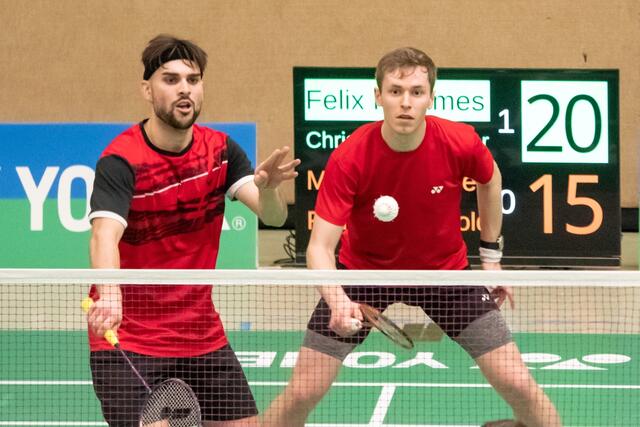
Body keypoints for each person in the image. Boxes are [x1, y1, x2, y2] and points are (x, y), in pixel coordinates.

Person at [263, 47, 561, 427]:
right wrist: (337, 302)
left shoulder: (459, 141)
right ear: (378, 96)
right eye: (395, 90)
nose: (406, 102)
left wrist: (490, 258)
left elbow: (491, 181)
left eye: (417, 92)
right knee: (302, 392)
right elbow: (319, 248)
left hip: (446, 277)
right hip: (363, 278)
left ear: (431, 98)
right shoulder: (350, 156)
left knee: (519, 384)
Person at [85, 34, 299, 427]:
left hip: (201, 333)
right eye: (171, 79)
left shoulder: (220, 151)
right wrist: (111, 296)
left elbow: (270, 216)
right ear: (147, 89)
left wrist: (269, 190)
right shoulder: (121, 160)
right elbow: (104, 236)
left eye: (193, 79)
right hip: (129, 337)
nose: (185, 88)